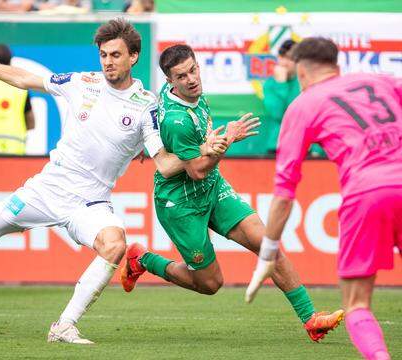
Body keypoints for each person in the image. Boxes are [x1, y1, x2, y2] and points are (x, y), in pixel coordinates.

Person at [0, 19, 221, 345]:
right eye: (104, 55)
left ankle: (64, 326)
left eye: (116, 55)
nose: (108, 62)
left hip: (91, 201)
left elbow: (163, 163)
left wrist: (201, 150)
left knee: (115, 244)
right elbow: (24, 79)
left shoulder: (146, 105)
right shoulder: (82, 82)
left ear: (133, 57)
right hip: (47, 189)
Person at [121, 44, 344, 342]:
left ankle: (311, 319)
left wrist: (216, 143)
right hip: (181, 204)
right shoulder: (178, 121)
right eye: (182, 76)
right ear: (169, 81)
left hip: (213, 189)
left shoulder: (191, 95)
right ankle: (143, 260)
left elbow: (201, 165)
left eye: (193, 70)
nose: (191, 79)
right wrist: (226, 142)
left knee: (268, 246)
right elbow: (196, 169)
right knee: (211, 283)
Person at [247, 37, 402, 359]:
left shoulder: (304, 104)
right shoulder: (383, 81)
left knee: (358, 303)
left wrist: (267, 254)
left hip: (367, 193)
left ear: (301, 72)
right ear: (337, 65)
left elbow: (285, 190)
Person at [263, 39, 324, 157]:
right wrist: (281, 84)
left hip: (304, 146)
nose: (285, 63)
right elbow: (279, 114)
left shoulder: (306, 82)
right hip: (277, 145)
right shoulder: (270, 84)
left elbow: (313, 116)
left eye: (290, 58)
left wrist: (317, 149)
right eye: (282, 57)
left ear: (298, 62)